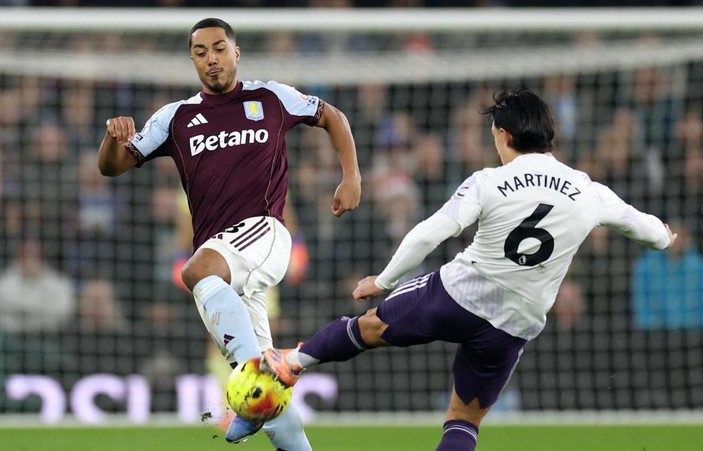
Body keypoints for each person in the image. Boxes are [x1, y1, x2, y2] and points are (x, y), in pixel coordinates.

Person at [262, 88, 676, 451]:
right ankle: (294, 363)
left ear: (504, 135)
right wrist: (667, 235)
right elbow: (653, 235)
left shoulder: (489, 181)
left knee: (369, 327)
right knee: (463, 419)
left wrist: (383, 280)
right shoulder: (589, 191)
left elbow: (428, 234)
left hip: (457, 296)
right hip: (515, 322)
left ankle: (293, 363)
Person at [97, 18, 361, 450]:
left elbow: (332, 116)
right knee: (271, 401)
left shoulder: (270, 97)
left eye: (219, 48)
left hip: (266, 233)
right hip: (228, 263)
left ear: (236, 53)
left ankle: (249, 387)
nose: (211, 58)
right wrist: (113, 139)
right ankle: (260, 395)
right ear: (192, 61)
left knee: (196, 270)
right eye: (200, 52)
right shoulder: (176, 118)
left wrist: (351, 177)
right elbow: (112, 167)